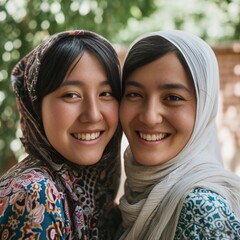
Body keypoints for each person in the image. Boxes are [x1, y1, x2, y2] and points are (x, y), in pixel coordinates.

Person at [117, 30, 240, 239]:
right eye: (134, 94)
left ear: (204, 108)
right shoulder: (137, 194)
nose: (149, 117)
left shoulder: (201, 210)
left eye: (173, 97)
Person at [0, 30, 122, 240]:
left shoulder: (100, 190)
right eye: (71, 95)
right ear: (36, 108)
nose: (92, 115)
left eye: (106, 93)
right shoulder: (35, 195)